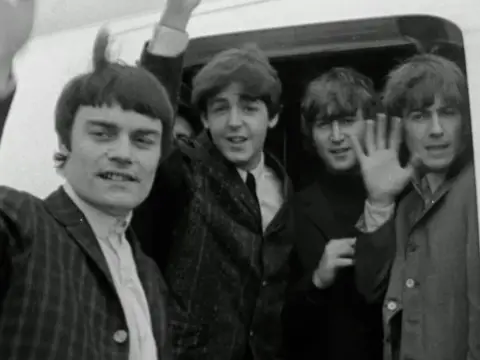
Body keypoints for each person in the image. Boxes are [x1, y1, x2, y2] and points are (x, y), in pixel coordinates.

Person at [0, 0, 197, 358]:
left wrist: (177, 17)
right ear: (65, 143)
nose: (124, 153)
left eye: (143, 140)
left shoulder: (149, 276)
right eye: (103, 133)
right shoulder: (21, 227)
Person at [131, 43, 295, 359]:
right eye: (220, 109)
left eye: (249, 108)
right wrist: (174, 22)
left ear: (272, 117)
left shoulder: (283, 185)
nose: (234, 122)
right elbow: (149, 116)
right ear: (204, 118)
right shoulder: (186, 168)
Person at [351, 54, 480, 360]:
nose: (436, 129)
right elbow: (371, 289)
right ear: (402, 128)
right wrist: (380, 201)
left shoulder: (478, 187)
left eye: (448, 113)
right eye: (421, 116)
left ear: (465, 122)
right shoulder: (409, 201)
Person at [283, 67, 383, 360]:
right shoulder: (294, 209)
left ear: (369, 124)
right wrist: (316, 281)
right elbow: (279, 321)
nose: (337, 137)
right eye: (325, 124)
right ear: (311, 135)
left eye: (348, 121)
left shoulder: (401, 198)